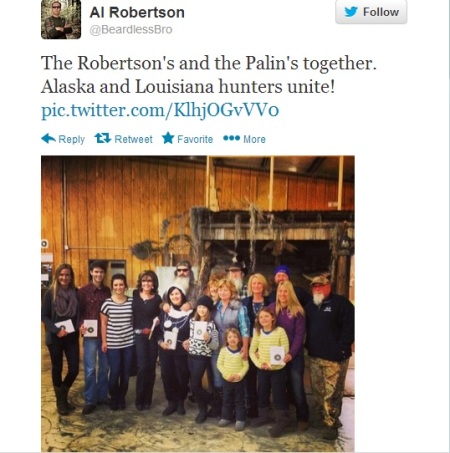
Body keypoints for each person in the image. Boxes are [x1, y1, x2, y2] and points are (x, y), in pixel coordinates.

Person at [304, 276, 355, 440]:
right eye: (315, 286)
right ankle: (321, 417)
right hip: (314, 356)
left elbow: (350, 327)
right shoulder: (310, 306)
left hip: (335, 358)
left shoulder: (342, 304)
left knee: (332, 392)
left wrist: (342, 349)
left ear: (328, 287)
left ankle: (331, 423)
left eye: (321, 285)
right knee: (318, 390)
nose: (317, 289)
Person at [269, 280, 309, 431]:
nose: (282, 294)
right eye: (280, 291)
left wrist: (291, 353)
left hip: (294, 356)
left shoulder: (297, 311)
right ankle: (283, 418)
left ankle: (303, 417)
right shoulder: (273, 308)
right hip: (276, 355)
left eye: (286, 291)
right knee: (279, 388)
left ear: (290, 293)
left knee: (297, 387)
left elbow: (300, 335)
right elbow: (262, 323)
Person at [41, 263, 80, 415]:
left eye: (67, 275)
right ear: (57, 275)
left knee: (74, 369)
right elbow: (43, 315)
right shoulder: (50, 293)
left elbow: (78, 313)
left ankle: (62, 393)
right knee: (57, 368)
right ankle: (61, 402)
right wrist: (56, 330)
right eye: (61, 275)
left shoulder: (76, 292)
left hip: (71, 336)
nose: (64, 277)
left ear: (71, 277)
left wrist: (79, 326)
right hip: (55, 337)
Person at [209, 279, 250, 418]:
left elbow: (245, 329)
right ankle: (224, 409)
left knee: (236, 381)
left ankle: (236, 411)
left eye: (226, 289)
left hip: (234, 349)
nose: (222, 292)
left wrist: (245, 347)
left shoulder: (239, 307)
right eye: (220, 289)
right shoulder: (214, 307)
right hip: (217, 349)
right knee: (218, 381)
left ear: (231, 291)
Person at [249, 307, 290, 438]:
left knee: (278, 394)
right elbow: (251, 351)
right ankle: (264, 416)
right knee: (262, 392)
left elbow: (284, 351)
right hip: (262, 369)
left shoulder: (280, 332)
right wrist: (260, 364)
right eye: (261, 317)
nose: (264, 319)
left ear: (273, 318)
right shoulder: (257, 333)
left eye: (266, 316)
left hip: (277, 370)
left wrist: (272, 365)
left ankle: (282, 420)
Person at [78, 260, 111, 415]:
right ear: (91, 272)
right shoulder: (83, 291)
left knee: (104, 368)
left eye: (101, 272)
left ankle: (102, 396)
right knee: (90, 369)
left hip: (105, 335)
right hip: (90, 336)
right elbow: (78, 313)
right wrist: (81, 325)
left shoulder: (107, 291)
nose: (99, 274)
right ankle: (90, 400)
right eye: (96, 271)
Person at [156, 285, 193, 416]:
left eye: (177, 293)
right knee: (167, 375)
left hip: (182, 351)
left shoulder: (190, 312)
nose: (174, 297)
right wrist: (161, 343)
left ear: (182, 295)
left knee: (182, 376)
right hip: (166, 350)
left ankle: (180, 401)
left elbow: (194, 331)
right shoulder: (165, 311)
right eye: (172, 294)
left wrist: (190, 340)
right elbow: (158, 332)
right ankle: (171, 402)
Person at [100, 274, 134, 411]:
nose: (118, 287)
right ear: (112, 286)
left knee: (126, 373)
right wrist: (104, 341)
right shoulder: (107, 303)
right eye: (115, 285)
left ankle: (122, 398)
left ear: (125, 286)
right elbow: (103, 324)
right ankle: (114, 397)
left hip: (129, 343)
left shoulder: (132, 302)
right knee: (114, 372)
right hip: (113, 344)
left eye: (121, 284)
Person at [183, 295, 219, 423]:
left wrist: (208, 339)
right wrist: (188, 342)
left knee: (194, 385)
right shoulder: (193, 321)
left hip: (202, 357)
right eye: (199, 307)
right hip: (191, 355)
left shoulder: (211, 325)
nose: (201, 310)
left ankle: (206, 406)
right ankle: (209, 403)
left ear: (209, 309)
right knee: (195, 385)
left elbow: (215, 345)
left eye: (204, 307)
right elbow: (192, 337)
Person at [241, 273, 271, 418]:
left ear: (263, 285)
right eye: (254, 284)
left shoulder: (270, 301)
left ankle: (263, 407)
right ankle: (251, 407)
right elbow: (243, 323)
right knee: (250, 377)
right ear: (250, 286)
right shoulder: (245, 301)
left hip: (266, 344)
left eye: (259, 283)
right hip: (251, 343)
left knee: (264, 378)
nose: (256, 286)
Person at [132, 270, 161, 410]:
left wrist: (153, 327)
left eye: (149, 281)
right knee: (142, 368)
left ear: (154, 283)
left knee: (151, 368)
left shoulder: (157, 299)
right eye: (144, 280)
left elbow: (159, 319)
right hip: (138, 337)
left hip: (152, 337)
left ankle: (147, 399)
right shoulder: (134, 296)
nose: (146, 283)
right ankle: (139, 399)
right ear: (140, 282)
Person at [216, 328, 249, 431]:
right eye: (230, 337)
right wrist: (226, 375)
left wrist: (240, 375)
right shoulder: (223, 351)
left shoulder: (242, 352)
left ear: (239, 339)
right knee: (226, 399)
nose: (232, 339)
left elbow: (246, 366)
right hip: (227, 381)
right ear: (226, 339)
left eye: (235, 337)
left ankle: (240, 419)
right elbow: (219, 364)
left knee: (240, 400)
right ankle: (226, 417)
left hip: (239, 381)